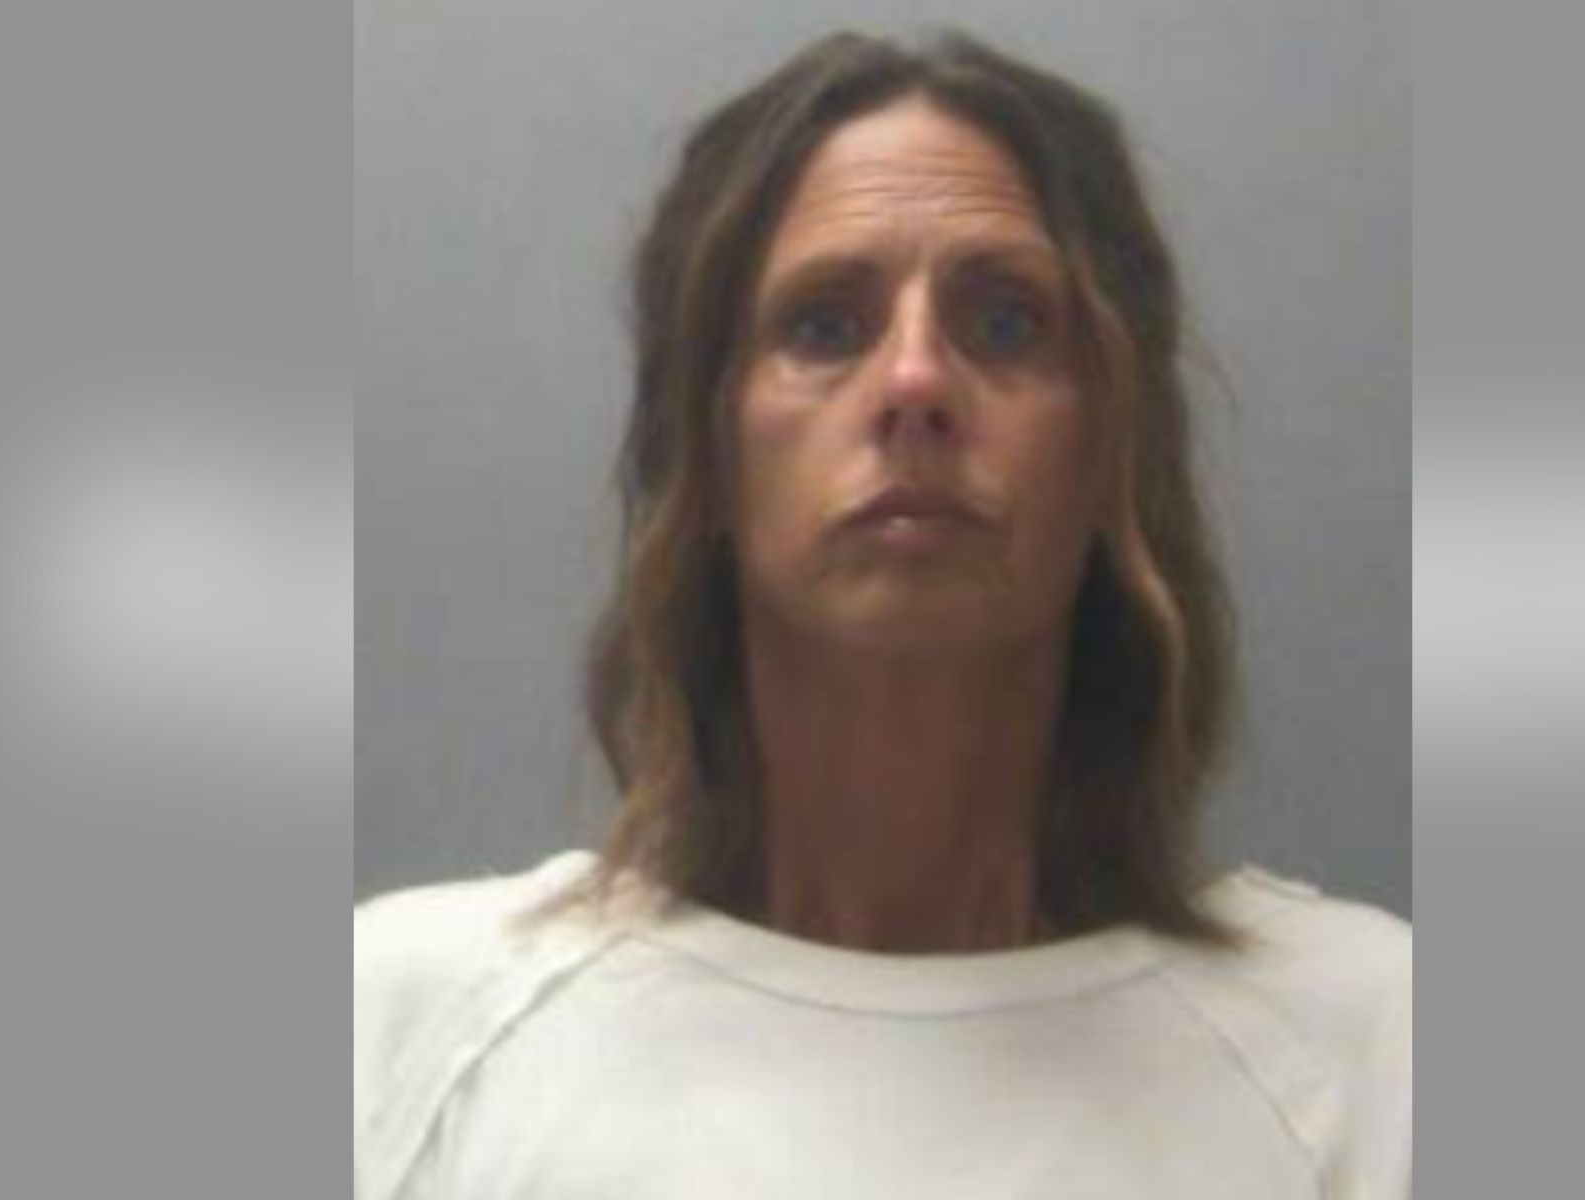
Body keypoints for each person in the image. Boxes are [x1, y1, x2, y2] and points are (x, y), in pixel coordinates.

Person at [355, 30, 1410, 1200]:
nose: (914, 381)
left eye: (1003, 323)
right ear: (706, 452)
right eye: (823, 326)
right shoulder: (401, 1030)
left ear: (1112, 453)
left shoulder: (1368, 1051)